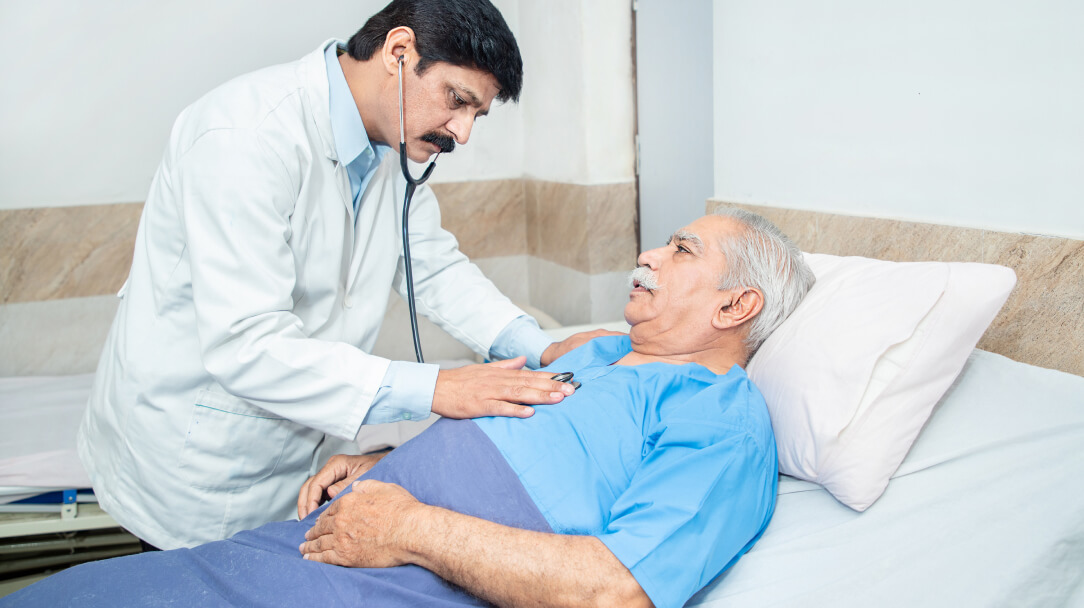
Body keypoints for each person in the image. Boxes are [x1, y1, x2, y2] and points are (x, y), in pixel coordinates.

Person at [11, 209, 816, 608]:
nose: (646, 254)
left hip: (394, 579)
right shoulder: (603, 353)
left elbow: (616, 590)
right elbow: (513, 425)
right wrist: (384, 467)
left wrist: (408, 525)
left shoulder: (721, 418)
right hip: (312, 543)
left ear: (734, 305)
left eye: (681, 251)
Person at [77, 0, 610, 552]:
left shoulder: (392, 146)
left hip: (297, 456)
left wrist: (539, 347)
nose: (463, 132)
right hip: (195, 460)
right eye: (459, 101)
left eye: (478, 114)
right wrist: (437, 388)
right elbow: (246, 341)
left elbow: (430, 265)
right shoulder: (244, 136)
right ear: (399, 51)